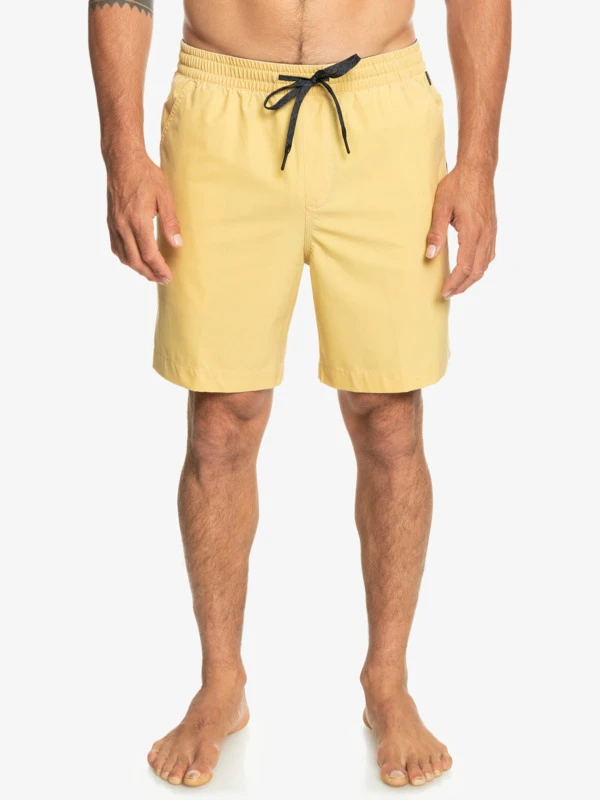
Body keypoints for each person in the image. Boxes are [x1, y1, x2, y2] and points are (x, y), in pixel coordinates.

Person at [89, 0, 510, 788]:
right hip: (221, 111)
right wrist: (124, 154)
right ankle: (221, 683)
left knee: (390, 419)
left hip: (382, 113)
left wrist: (479, 163)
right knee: (221, 421)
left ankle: (387, 680)